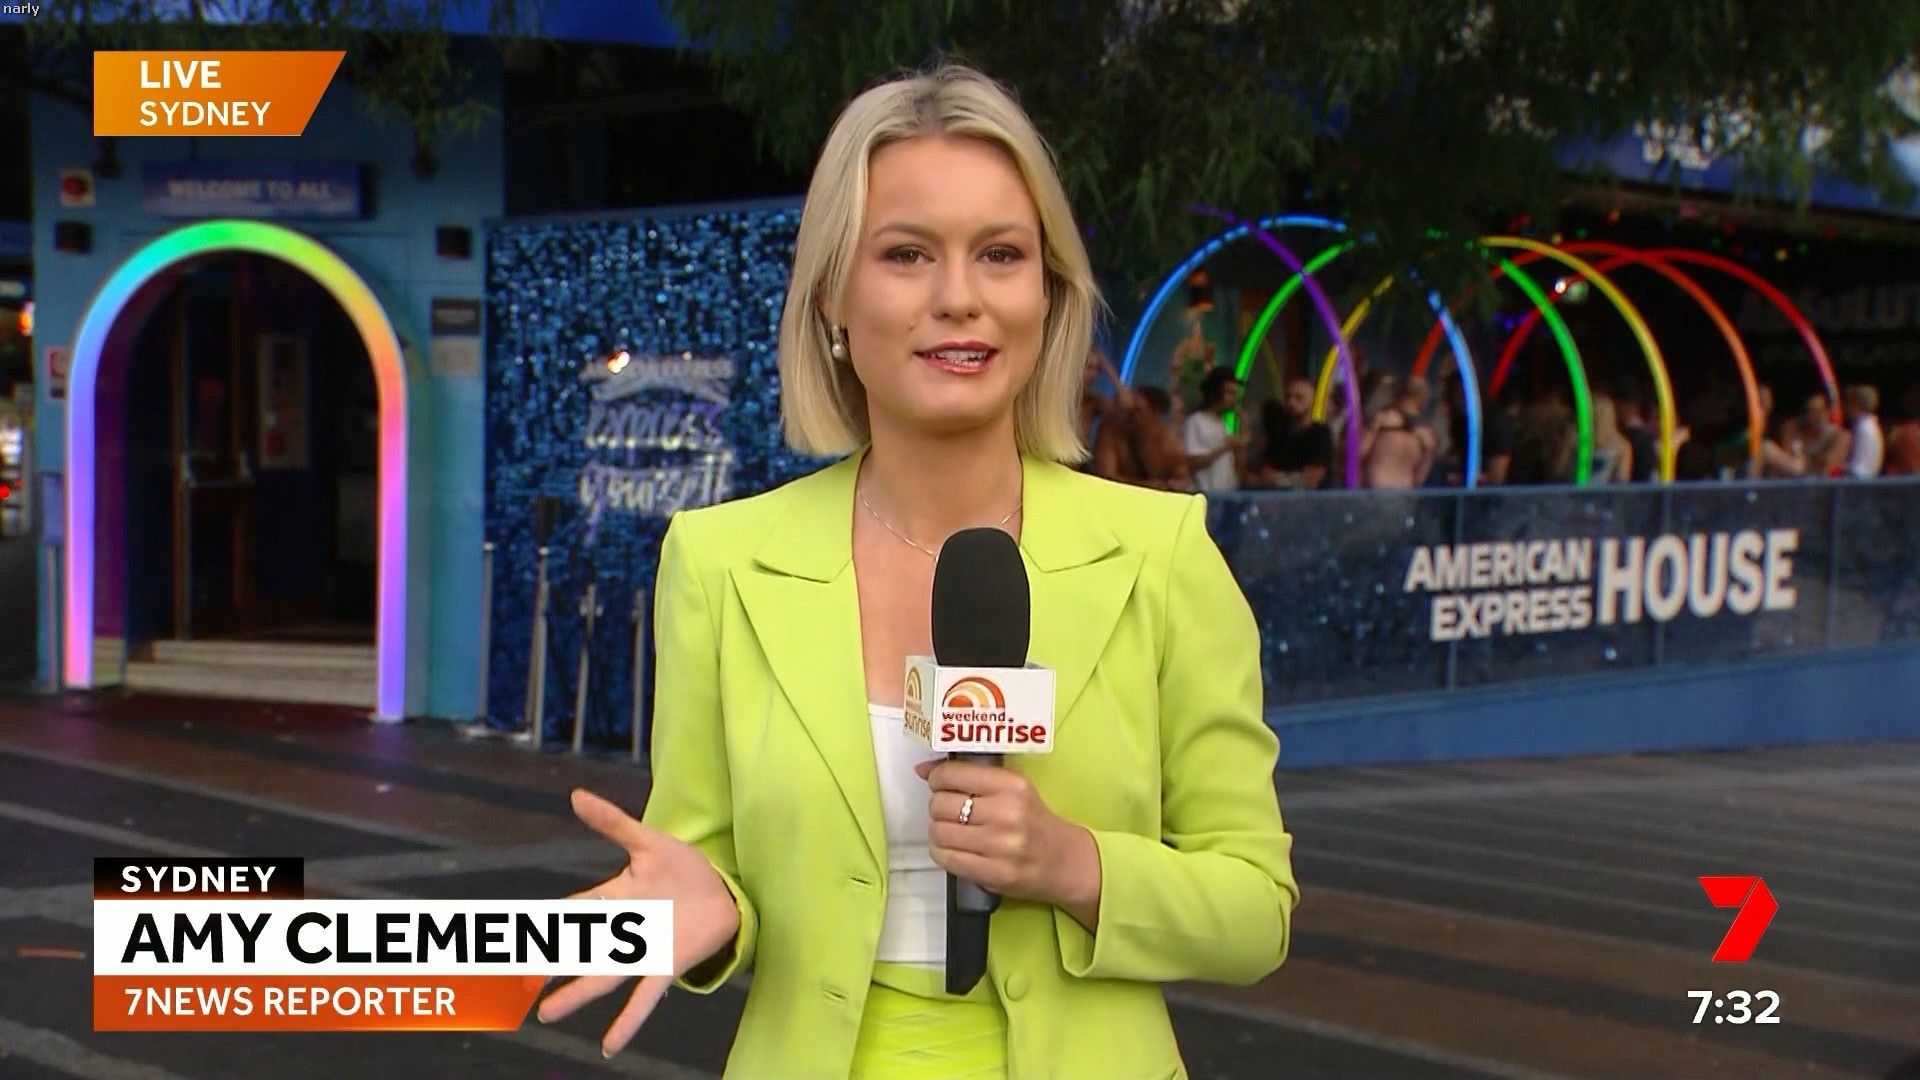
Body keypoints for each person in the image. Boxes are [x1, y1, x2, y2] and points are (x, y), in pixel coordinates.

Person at [539, 63, 1297, 1078]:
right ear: (834, 297)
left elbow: (1254, 910)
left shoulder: (1161, 556)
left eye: (1001, 254)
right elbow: (705, 866)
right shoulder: (721, 563)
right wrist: (711, 908)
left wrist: (1073, 864)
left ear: (1046, 294)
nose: (959, 299)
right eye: (906, 254)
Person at [1094, 383, 1192, 491]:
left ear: (1155, 413)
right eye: (1129, 410)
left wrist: (1167, 485)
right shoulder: (1112, 431)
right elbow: (1105, 478)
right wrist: (1146, 485)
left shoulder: (1169, 443)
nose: (1130, 416)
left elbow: (1182, 480)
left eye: (1138, 410)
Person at [1251, 376, 1332, 490]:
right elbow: (1263, 474)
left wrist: (1277, 479)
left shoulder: (1320, 433)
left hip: (1311, 499)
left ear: (1312, 400)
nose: (1291, 403)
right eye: (1288, 397)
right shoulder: (1279, 434)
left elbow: (1311, 479)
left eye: (1299, 398)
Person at [1182, 366, 1248, 491]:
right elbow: (1192, 462)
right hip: (1205, 494)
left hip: (1226, 494)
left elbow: (1238, 467)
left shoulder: (1223, 424)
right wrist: (1224, 447)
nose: (1234, 399)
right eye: (1230, 393)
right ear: (1215, 393)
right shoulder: (1196, 422)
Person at [1843, 384, 1885, 478]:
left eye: (1849, 403)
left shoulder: (1863, 428)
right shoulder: (1868, 425)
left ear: (1857, 404)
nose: (1846, 407)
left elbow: (1859, 466)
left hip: (1859, 479)